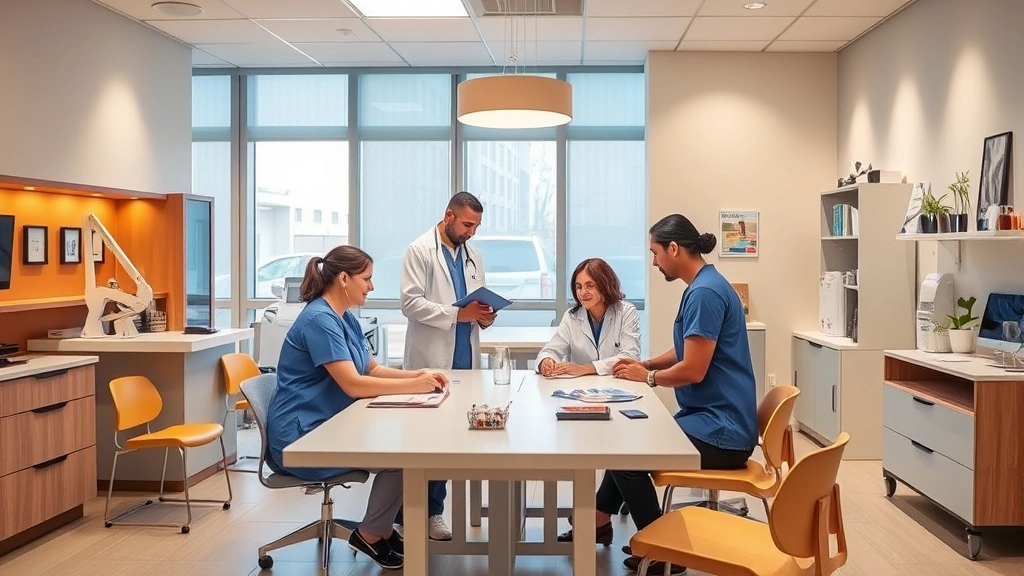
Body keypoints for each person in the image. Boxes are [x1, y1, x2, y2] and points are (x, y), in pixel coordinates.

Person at [559, 214, 759, 575]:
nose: (653, 262)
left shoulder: (704, 293)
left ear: (673, 248)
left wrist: (649, 376)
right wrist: (648, 363)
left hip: (723, 431)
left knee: (629, 457)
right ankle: (600, 519)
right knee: (627, 440)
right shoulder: (702, 286)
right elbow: (685, 349)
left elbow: (694, 369)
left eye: (655, 253)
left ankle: (663, 551)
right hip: (713, 418)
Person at [266, 245, 450, 569]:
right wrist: (414, 386)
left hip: (326, 425)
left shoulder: (344, 317)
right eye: (366, 278)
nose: (372, 286)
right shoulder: (319, 320)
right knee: (400, 459)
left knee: (405, 452)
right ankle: (370, 533)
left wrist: (419, 374)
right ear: (343, 279)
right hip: (301, 436)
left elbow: (372, 369)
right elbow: (353, 384)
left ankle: (378, 529)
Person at [398, 191, 495, 541]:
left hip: (465, 359)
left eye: (477, 226)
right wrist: (458, 314)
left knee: (452, 442)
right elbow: (410, 304)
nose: (472, 232)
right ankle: (408, 515)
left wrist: (484, 316)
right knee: (423, 442)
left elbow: (476, 300)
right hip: (430, 359)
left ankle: (433, 511)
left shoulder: (473, 255)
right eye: (468, 224)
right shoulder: (419, 251)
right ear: (449, 215)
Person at [536, 258, 641, 377]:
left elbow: (631, 356)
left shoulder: (626, 312)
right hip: (580, 389)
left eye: (590, 286)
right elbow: (552, 349)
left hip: (616, 385)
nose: (582, 292)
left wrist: (585, 368)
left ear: (605, 286)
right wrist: (546, 361)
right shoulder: (572, 316)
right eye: (579, 287)